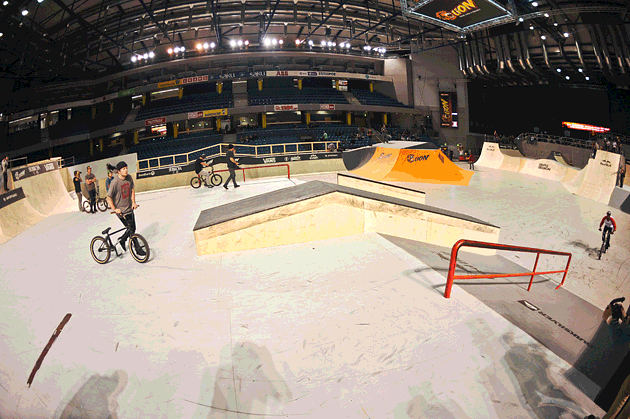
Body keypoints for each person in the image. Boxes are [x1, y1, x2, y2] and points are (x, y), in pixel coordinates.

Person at [106, 161, 144, 255]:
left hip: (129, 208)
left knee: (133, 228)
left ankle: (122, 240)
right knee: (131, 230)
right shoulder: (115, 182)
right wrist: (115, 209)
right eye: (123, 169)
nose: (126, 170)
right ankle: (137, 249)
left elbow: (132, 190)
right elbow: (108, 198)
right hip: (121, 211)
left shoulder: (129, 178)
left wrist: (133, 203)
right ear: (119, 171)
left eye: (126, 168)